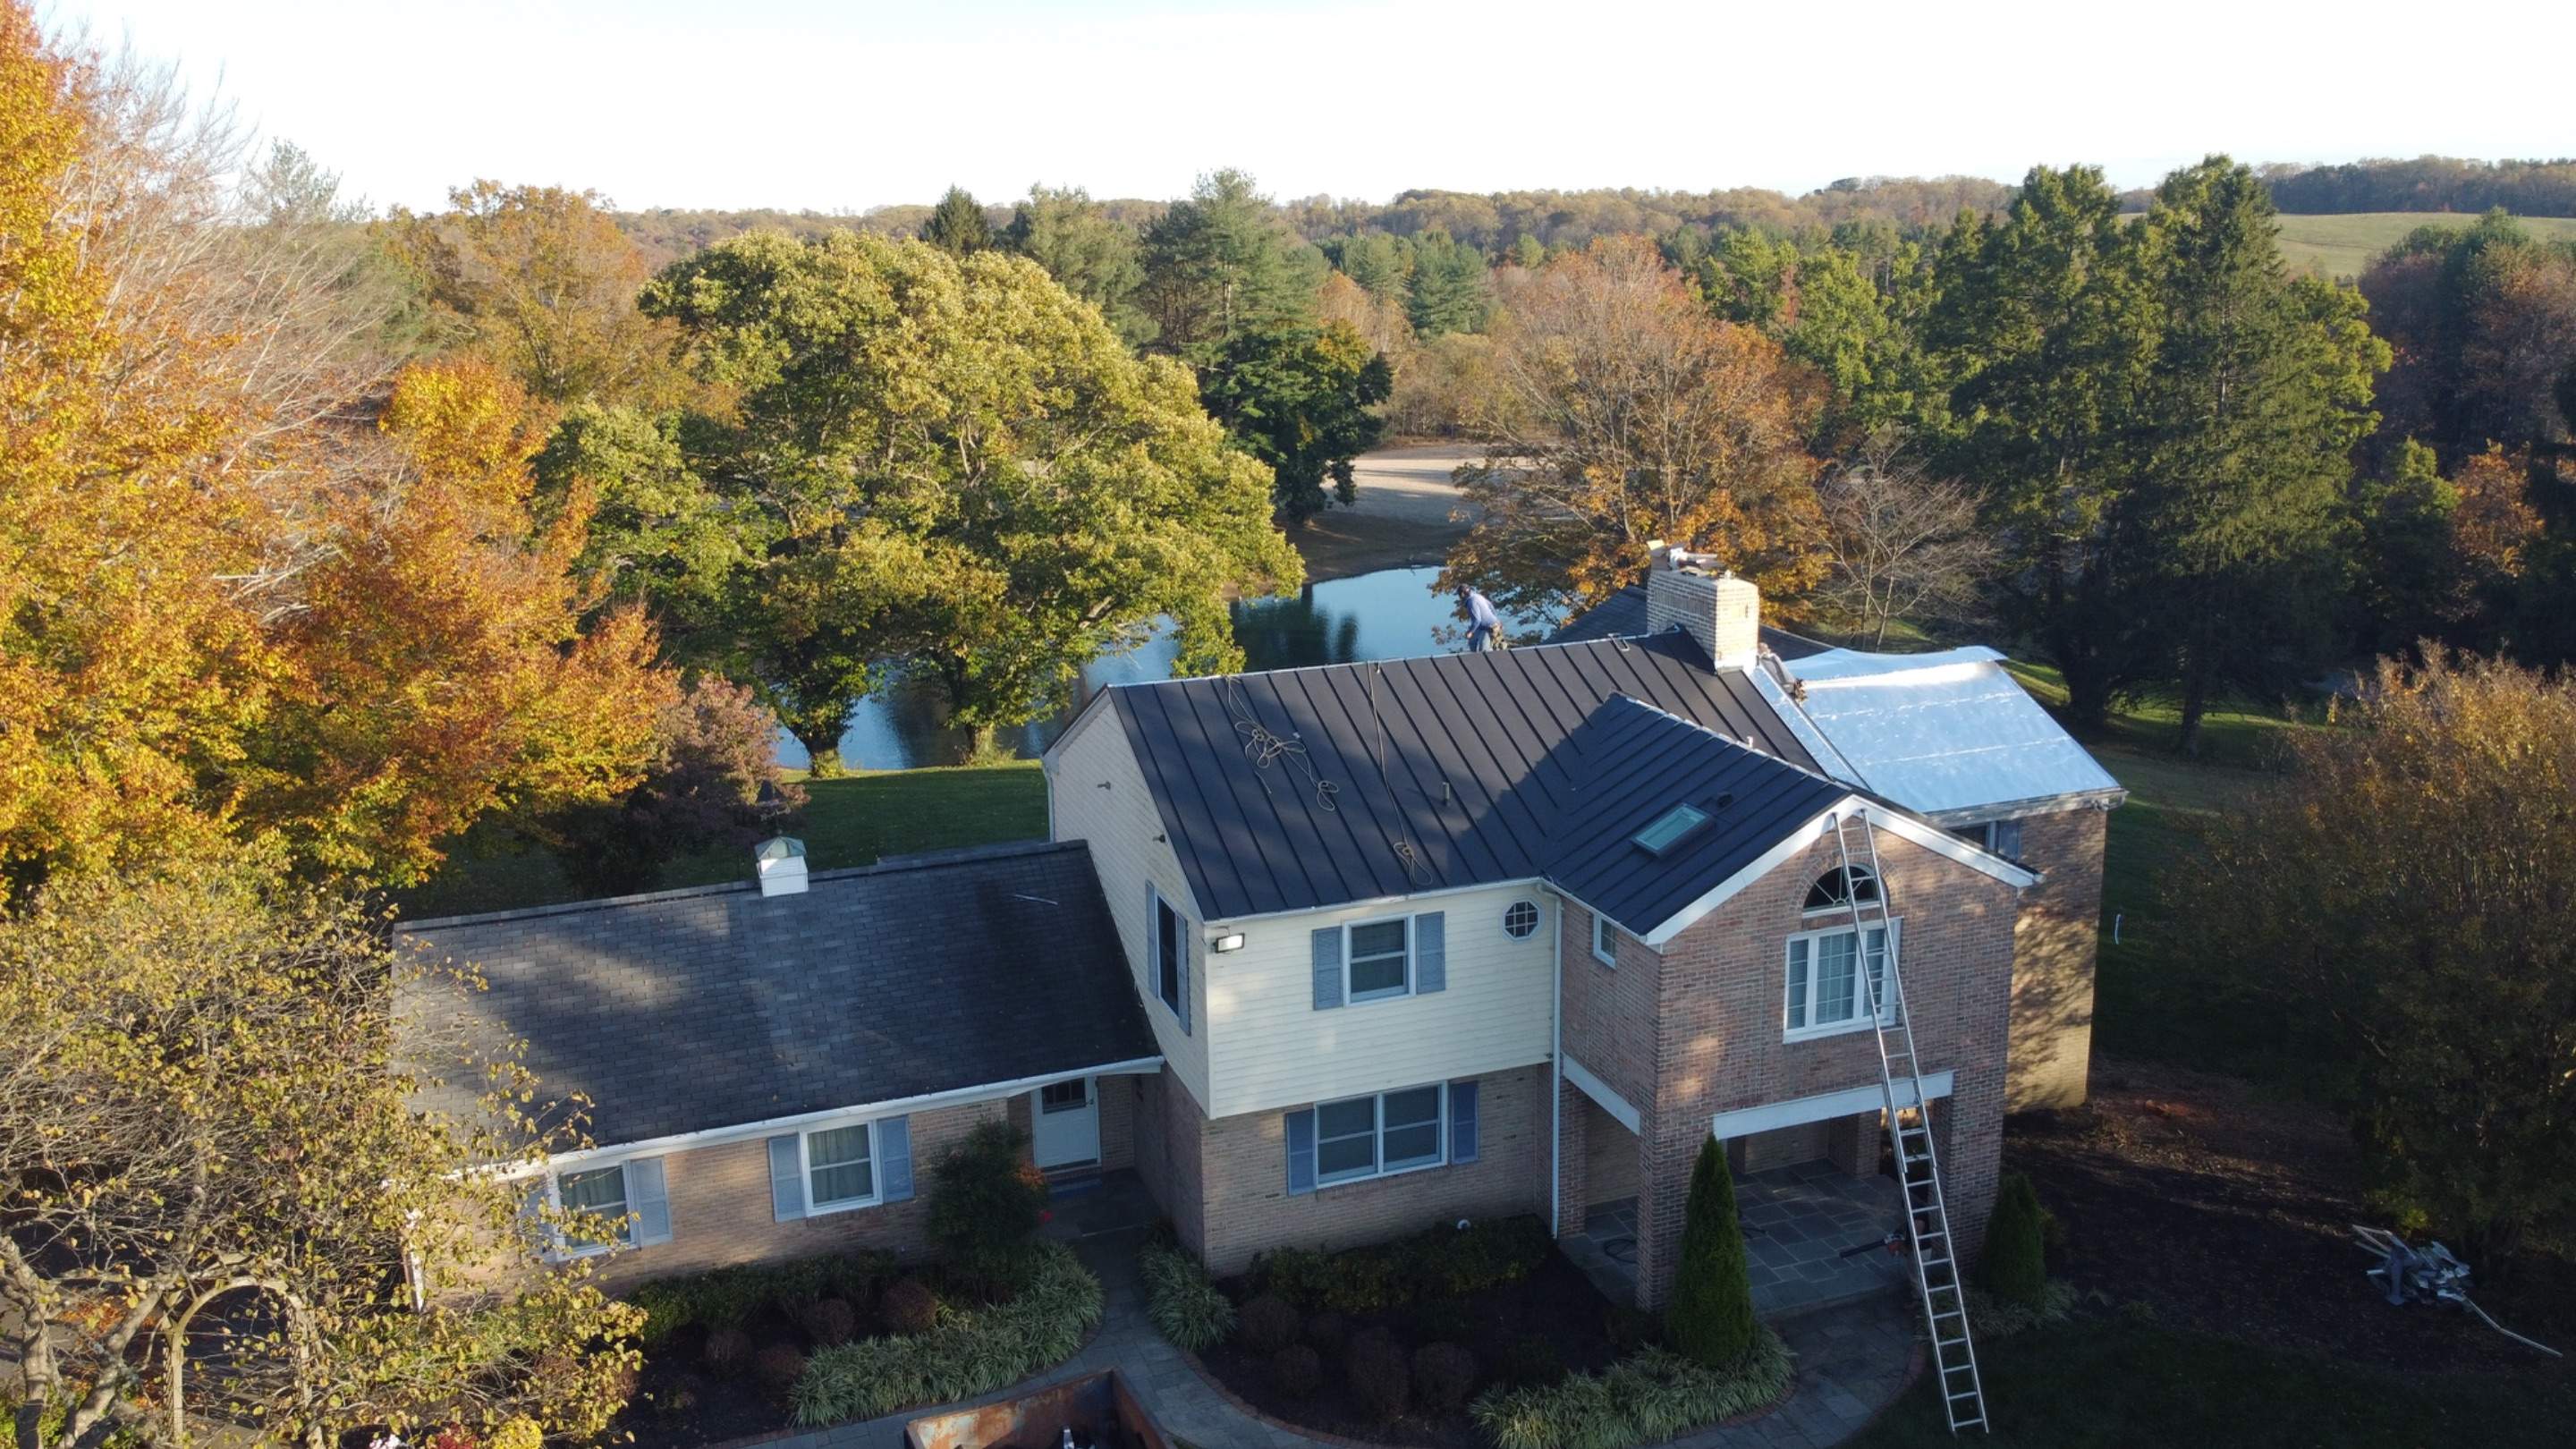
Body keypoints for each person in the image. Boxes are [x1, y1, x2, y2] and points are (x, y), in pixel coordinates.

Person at [1457, 585, 1501, 652]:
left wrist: (1470, 632)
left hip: (1489, 628)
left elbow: (1477, 620)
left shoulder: (1471, 602)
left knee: (1483, 650)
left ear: (1462, 594)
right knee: (1472, 641)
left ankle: (1485, 658)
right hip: (1482, 626)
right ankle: (1473, 657)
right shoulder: (1478, 596)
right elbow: (1491, 607)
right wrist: (1496, 619)